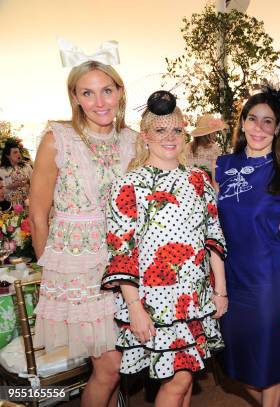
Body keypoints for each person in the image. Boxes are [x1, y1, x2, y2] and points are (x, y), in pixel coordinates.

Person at [101, 90, 227, 407]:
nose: (170, 137)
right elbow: (121, 252)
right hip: (154, 302)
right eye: (160, 130)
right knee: (177, 380)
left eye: (176, 129)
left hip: (196, 298)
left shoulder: (199, 179)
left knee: (184, 382)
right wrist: (135, 309)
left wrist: (220, 291)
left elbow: (213, 236)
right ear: (145, 135)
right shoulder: (128, 184)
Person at [29, 39, 136, 407]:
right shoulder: (57, 139)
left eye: (107, 90)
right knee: (109, 368)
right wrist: (52, 274)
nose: (99, 101)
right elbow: (37, 212)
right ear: (75, 97)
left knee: (114, 369)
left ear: (120, 92)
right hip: (76, 272)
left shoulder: (133, 142)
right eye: (87, 93)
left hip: (121, 269)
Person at [216, 82, 280, 407]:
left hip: (269, 283)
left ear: (278, 128)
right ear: (242, 122)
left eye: (268, 121)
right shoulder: (221, 167)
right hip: (230, 280)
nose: (259, 128)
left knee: (270, 365)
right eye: (253, 118)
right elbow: (213, 230)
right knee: (228, 364)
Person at [185, 114, 226, 178]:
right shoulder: (214, 148)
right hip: (209, 184)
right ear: (210, 133)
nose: (215, 134)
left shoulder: (187, 146)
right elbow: (217, 171)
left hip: (190, 182)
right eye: (214, 131)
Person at [0, 139, 33, 207]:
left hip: (29, 202)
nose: (19, 154)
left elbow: (36, 182)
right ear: (8, 156)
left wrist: (28, 182)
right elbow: (1, 191)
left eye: (19, 152)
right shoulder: (2, 171)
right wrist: (10, 186)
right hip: (10, 206)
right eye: (15, 152)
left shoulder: (27, 166)